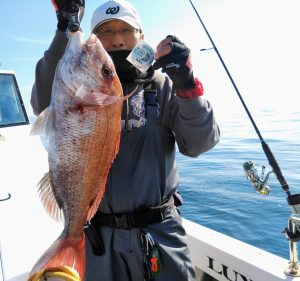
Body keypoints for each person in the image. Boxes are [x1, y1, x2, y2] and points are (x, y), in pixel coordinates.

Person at [30, 0, 220, 280]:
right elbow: (41, 100)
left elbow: (199, 143)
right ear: (94, 38)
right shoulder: (70, 88)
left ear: (141, 38)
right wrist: (65, 27)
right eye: (105, 32)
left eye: (126, 30)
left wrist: (187, 85)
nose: (117, 39)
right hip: (97, 240)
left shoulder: (161, 84)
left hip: (160, 235)